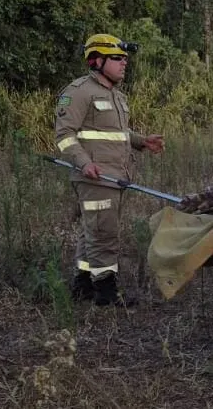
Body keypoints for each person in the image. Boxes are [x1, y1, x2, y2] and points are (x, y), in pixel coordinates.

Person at [54, 33, 165, 306]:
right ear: (97, 61)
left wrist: (142, 141)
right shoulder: (79, 92)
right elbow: (64, 135)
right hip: (95, 177)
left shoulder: (114, 95)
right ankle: (106, 294)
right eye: (117, 59)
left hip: (115, 176)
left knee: (90, 231)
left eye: (125, 59)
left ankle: (82, 284)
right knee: (104, 234)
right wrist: (84, 163)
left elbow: (114, 132)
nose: (124, 63)